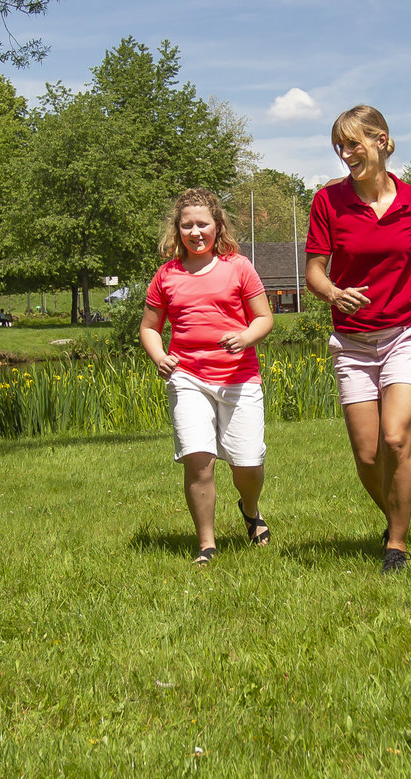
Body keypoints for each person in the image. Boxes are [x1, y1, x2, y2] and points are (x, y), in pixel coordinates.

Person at [304, 105, 411, 574]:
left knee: (395, 436)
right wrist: (332, 292)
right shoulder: (328, 202)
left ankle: (397, 545)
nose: (346, 154)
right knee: (367, 455)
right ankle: (394, 515)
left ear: (381, 140)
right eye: (339, 147)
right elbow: (314, 273)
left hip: (407, 330)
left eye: (353, 144)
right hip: (353, 343)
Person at [140, 188, 274, 564]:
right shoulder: (166, 275)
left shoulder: (238, 267)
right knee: (198, 459)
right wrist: (159, 356)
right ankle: (206, 545)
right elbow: (149, 327)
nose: (195, 232)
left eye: (203, 224)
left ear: (218, 225)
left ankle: (250, 509)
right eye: (187, 226)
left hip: (238, 377)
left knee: (247, 463)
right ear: (177, 229)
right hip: (188, 377)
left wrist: (245, 336)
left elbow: (264, 318)